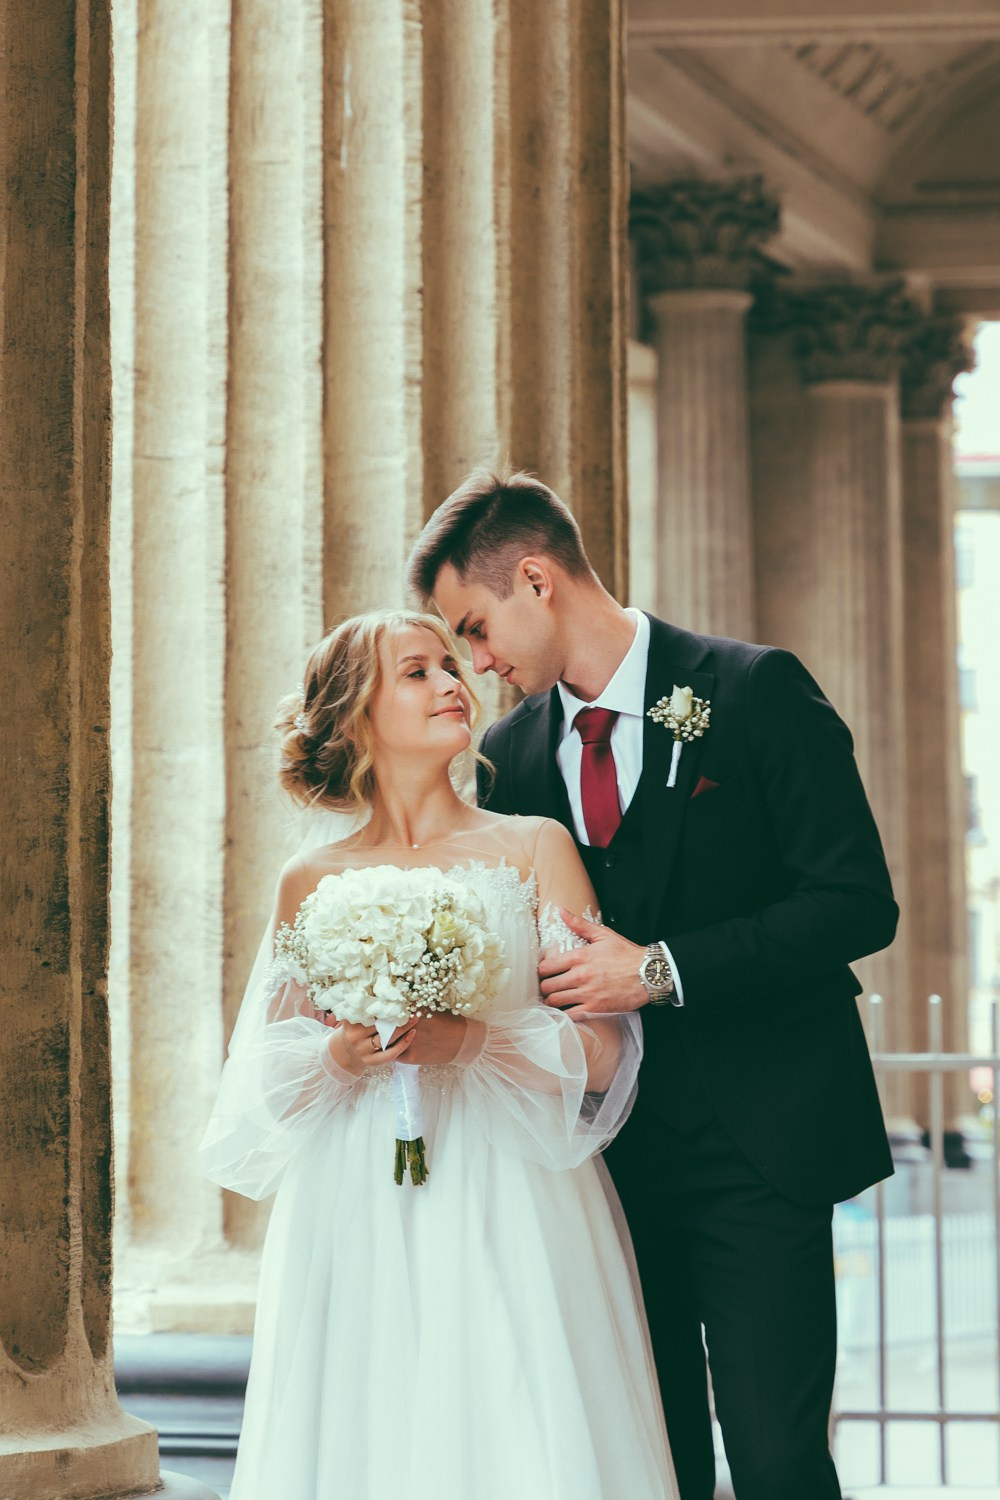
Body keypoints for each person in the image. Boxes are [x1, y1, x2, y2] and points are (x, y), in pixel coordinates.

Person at [407, 469, 899, 1500]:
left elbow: (856, 902)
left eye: (476, 626)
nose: (479, 663)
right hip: (600, 1165)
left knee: (774, 1459)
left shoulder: (754, 689)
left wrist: (660, 969)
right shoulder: (509, 756)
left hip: (756, 1148)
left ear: (534, 578)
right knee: (644, 1460)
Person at [199, 608, 679, 1500]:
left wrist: (475, 1043)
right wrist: (340, 1056)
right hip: (352, 1196)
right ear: (354, 716)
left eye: (453, 666)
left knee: (516, 1411)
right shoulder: (309, 879)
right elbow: (266, 1073)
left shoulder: (535, 847)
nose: (455, 684)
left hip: (510, 1187)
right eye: (417, 672)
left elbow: (605, 1050)